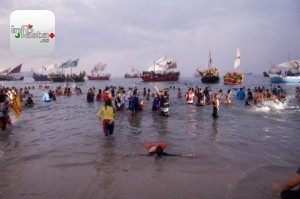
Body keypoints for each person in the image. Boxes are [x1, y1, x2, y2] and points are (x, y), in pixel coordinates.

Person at [123, 141, 195, 158]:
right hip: (152, 148)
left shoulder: (152, 153)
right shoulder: (163, 154)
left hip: (151, 149)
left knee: (146, 144)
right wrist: (187, 155)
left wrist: (129, 154)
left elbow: (140, 155)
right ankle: (142, 142)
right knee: (146, 144)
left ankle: (142, 142)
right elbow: (176, 155)